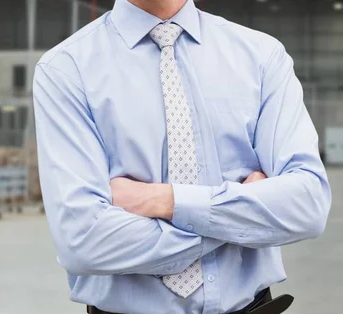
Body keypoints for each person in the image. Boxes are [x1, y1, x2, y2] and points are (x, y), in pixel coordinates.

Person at [32, 0, 332, 313]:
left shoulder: (261, 57)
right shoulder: (66, 69)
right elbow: (84, 242)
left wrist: (166, 201)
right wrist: (243, 210)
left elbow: (307, 206)